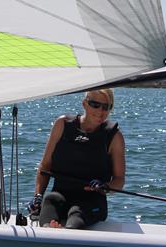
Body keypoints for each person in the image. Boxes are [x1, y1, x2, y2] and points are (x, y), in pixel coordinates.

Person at [28, 88, 125, 229]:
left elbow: (119, 180)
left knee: (76, 213)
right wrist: (38, 196)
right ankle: (50, 231)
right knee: (50, 200)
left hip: (91, 201)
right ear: (84, 104)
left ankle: (66, 233)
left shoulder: (114, 136)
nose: (101, 111)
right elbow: (45, 167)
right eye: (95, 105)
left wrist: (106, 187)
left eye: (106, 107)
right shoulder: (62, 124)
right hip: (60, 195)